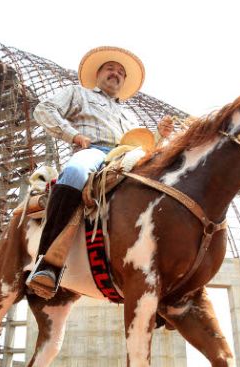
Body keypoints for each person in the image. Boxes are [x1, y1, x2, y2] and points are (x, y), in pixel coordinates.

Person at [27, 46, 174, 299]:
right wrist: (74, 135)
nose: (115, 73)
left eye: (120, 72)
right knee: (74, 172)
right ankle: (48, 263)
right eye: (110, 68)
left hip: (128, 157)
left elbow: (142, 144)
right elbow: (44, 110)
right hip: (95, 152)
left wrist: (160, 134)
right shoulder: (78, 93)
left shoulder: (128, 114)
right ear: (98, 74)